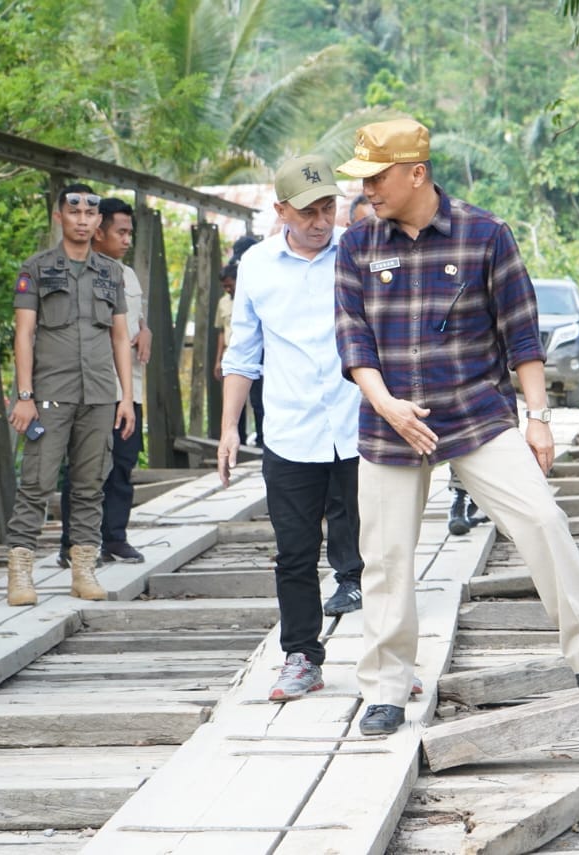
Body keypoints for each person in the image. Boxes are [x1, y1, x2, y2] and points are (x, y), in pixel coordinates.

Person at [334, 118, 579, 736]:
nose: (368, 189)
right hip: (390, 418)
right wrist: (386, 403)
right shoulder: (358, 244)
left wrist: (539, 420)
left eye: (378, 176)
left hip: (476, 409)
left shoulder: (485, 234)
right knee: (385, 557)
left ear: (417, 172)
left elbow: (521, 334)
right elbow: (352, 337)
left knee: (542, 518)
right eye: (361, 178)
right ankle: (387, 688)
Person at [217, 154, 364, 702]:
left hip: (359, 426)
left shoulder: (357, 252)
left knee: (380, 548)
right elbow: (242, 353)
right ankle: (302, 655)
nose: (321, 221)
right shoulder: (256, 266)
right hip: (290, 430)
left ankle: (388, 658)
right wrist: (230, 429)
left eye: (329, 207)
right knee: (295, 553)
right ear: (281, 211)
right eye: (308, 211)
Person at [5, 184, 135, 606]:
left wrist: (126, 397)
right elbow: (23, 334)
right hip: (50, 394)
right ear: (59, 216)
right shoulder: (37, 268)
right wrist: (24, 395)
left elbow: (120, 337)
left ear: (98, 222)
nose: (82, 219)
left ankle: (83, 569)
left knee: (90, 483)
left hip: (99, 394)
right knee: (37, 482)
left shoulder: (110, 273)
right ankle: (21, 574)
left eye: (90, 213)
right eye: (74, 211)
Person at [57, 198, 151, 566]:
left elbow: (135, 320)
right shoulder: (73, 271)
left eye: (130, 233)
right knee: (85, 469)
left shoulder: (127, 275)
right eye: (121, 232)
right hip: (91, 387)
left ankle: (114, 538)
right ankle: (73, 545)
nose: (127, 239)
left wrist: (146, 331)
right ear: (99, 231)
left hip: (129, 388)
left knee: (123, 466)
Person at [213, 264, 249, 444]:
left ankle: (261, 440)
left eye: (230, 285)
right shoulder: (223, 303)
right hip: (231, 354)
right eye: (224, 286)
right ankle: (238, 439)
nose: (228, 289)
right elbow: (221, 331)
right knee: (234, 401)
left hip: (252, 354)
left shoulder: (250, 296)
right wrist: (218, 360)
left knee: (257, 400)